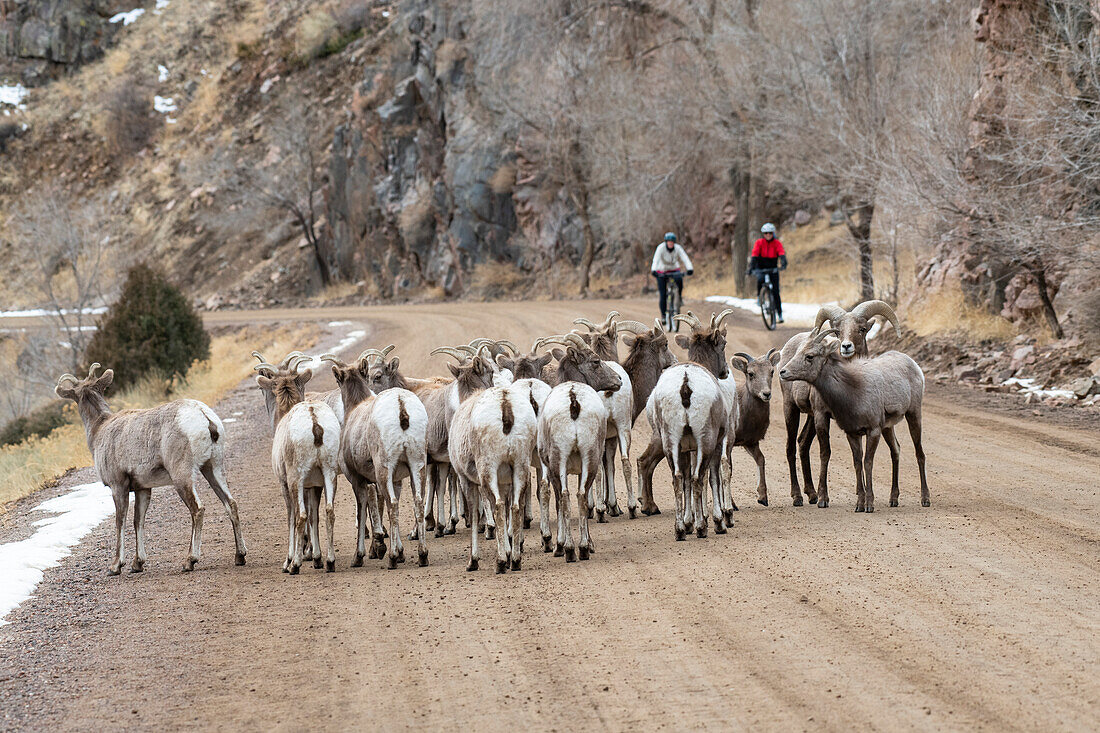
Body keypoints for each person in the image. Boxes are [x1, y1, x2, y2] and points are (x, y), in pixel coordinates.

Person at [748, 223, 787, 323]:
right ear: (763, 234)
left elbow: (781, 253)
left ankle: (780, 314)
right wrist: (751, 268)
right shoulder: (759, 242)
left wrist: (783, 262)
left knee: (776, 292)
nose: (768, 235)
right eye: (766, 233)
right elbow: (755, 255)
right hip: (761, 267)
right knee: (760, 279)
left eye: (770, 233)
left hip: (773, 268)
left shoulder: (777, 243)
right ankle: (759, 297)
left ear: (773, 233)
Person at [651, 232, 693, 321]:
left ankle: (679, 298)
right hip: (662, 270)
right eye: (669, 242)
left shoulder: (678, 248)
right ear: (666, 242)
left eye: (672, 242)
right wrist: (653, 270)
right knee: (663, 294)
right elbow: (656, 259)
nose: (670, 243)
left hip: (674, 269)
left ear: (674, 242)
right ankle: (663, 315)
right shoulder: (660, 248)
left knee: (679, 280)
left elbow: (685, 258)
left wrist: (690, 268)